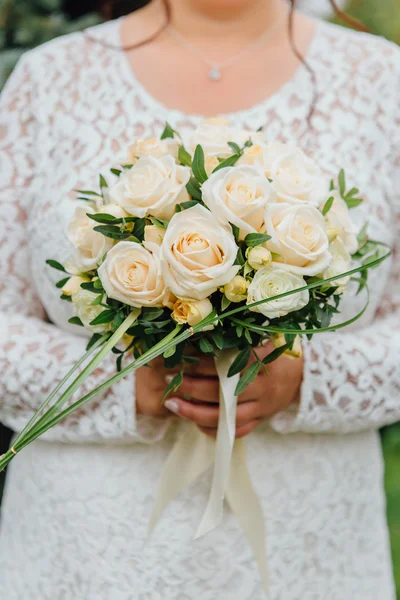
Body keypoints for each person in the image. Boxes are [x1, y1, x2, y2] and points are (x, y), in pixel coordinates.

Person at [0, 0, 399, 598]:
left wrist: (304, 378)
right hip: (86, 544)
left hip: (310, 539)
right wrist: (120, 381)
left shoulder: (382, 80)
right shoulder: (48, 78)